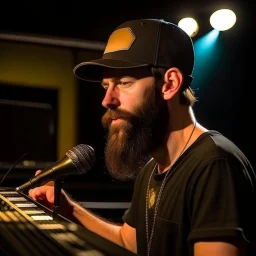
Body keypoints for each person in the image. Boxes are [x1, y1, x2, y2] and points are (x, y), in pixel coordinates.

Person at [28, 18, 256, 256]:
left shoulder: (214, 163)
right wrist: (70, 210)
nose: (107, 100)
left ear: (169, 84)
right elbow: (131, 244)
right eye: (106, 86)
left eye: (124, 83)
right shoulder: (151, 169)